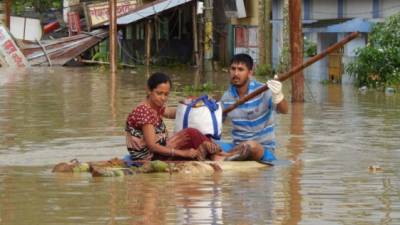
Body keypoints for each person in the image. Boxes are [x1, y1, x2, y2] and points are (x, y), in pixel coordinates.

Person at [125, 72, 221, 162]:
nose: (163, 98)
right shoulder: (144, 112)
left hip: (158, 151)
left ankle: (214, 153)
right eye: (159, 93)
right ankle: (218, 156)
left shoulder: (156, 107)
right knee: (190, 133)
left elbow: (173, 113)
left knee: (193, 132)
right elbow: (152, 146)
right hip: (150, 157)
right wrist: (184, 153)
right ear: (149, 91)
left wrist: (190, 107)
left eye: (166, 94)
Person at [216, 53, 289, 162]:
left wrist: (278, 95)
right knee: (207, 143)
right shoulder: (227, 97)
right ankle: (228, 155)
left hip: (262, 149)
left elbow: (284, 110)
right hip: (236, 146)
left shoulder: (263, 91)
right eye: (233, 69)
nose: (235, 73)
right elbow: (216, 124)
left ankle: (225, 156)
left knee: (251, 146)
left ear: (250, 73)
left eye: (241, 70)